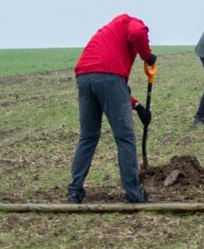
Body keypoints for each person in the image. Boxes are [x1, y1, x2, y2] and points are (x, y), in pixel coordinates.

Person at [67, 14, 158, 204]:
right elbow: (137, 33)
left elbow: (110, 86)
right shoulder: (131, 22)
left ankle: (75, 191)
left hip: (85, 77)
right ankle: (134, 194)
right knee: (125, 137)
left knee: (88, 136)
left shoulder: (109, 35)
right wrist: (147, 56)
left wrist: (137, 106)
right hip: (108, 77)